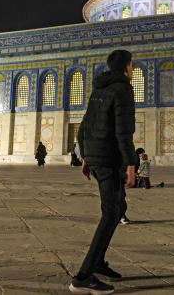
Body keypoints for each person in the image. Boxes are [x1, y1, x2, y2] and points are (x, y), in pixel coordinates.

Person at [70, 49, 137, 294]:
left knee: (118, 208)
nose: (132, 69)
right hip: (109, 159)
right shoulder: (123, 89)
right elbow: (123, 132)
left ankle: (98, 263)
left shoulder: (99, 88)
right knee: (111, 213)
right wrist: (131, 164)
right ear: (127, 67)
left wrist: (85, 156)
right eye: (131, 65)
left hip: (97, 158)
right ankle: (83, 276)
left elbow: (85, 124)